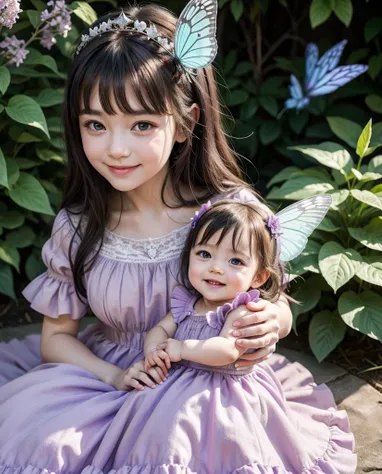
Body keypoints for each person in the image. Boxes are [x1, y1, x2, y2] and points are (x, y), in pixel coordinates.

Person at [0, 0, 355, 473]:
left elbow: (274, 299)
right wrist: (114, 374)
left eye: (142, 124)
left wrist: (273, 322)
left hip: (211, 385)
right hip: (109, 379)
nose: (117, 148)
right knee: (41, 446)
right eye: (96, 125)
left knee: (177, 443)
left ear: (185, 122)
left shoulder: (230, 213)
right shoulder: (81, 224)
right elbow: (56, 340)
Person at [130, 197, 355, 473]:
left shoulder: (239, 310)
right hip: (177, 383)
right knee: (156, 426)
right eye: (204, 254)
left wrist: (181, 349)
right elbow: (161, 328)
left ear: (258, 278)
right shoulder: (187, 301)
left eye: (235, 260)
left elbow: (226, 350)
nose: (216, 267)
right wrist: (154, 348)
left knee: (208, 435)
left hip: (224, 391)